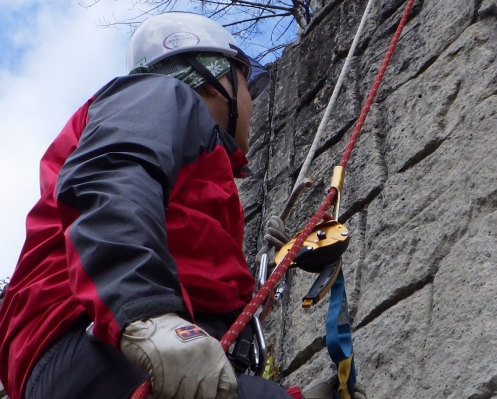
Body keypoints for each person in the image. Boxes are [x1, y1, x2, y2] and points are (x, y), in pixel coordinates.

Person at [0, 11, 295, 399]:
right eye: (246, 84)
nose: (252, 105)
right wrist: (142, 312)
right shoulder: (159, 96)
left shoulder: (198, 173)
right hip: (106, 338)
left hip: (111, 346)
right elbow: (111, 175)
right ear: (214, 77)